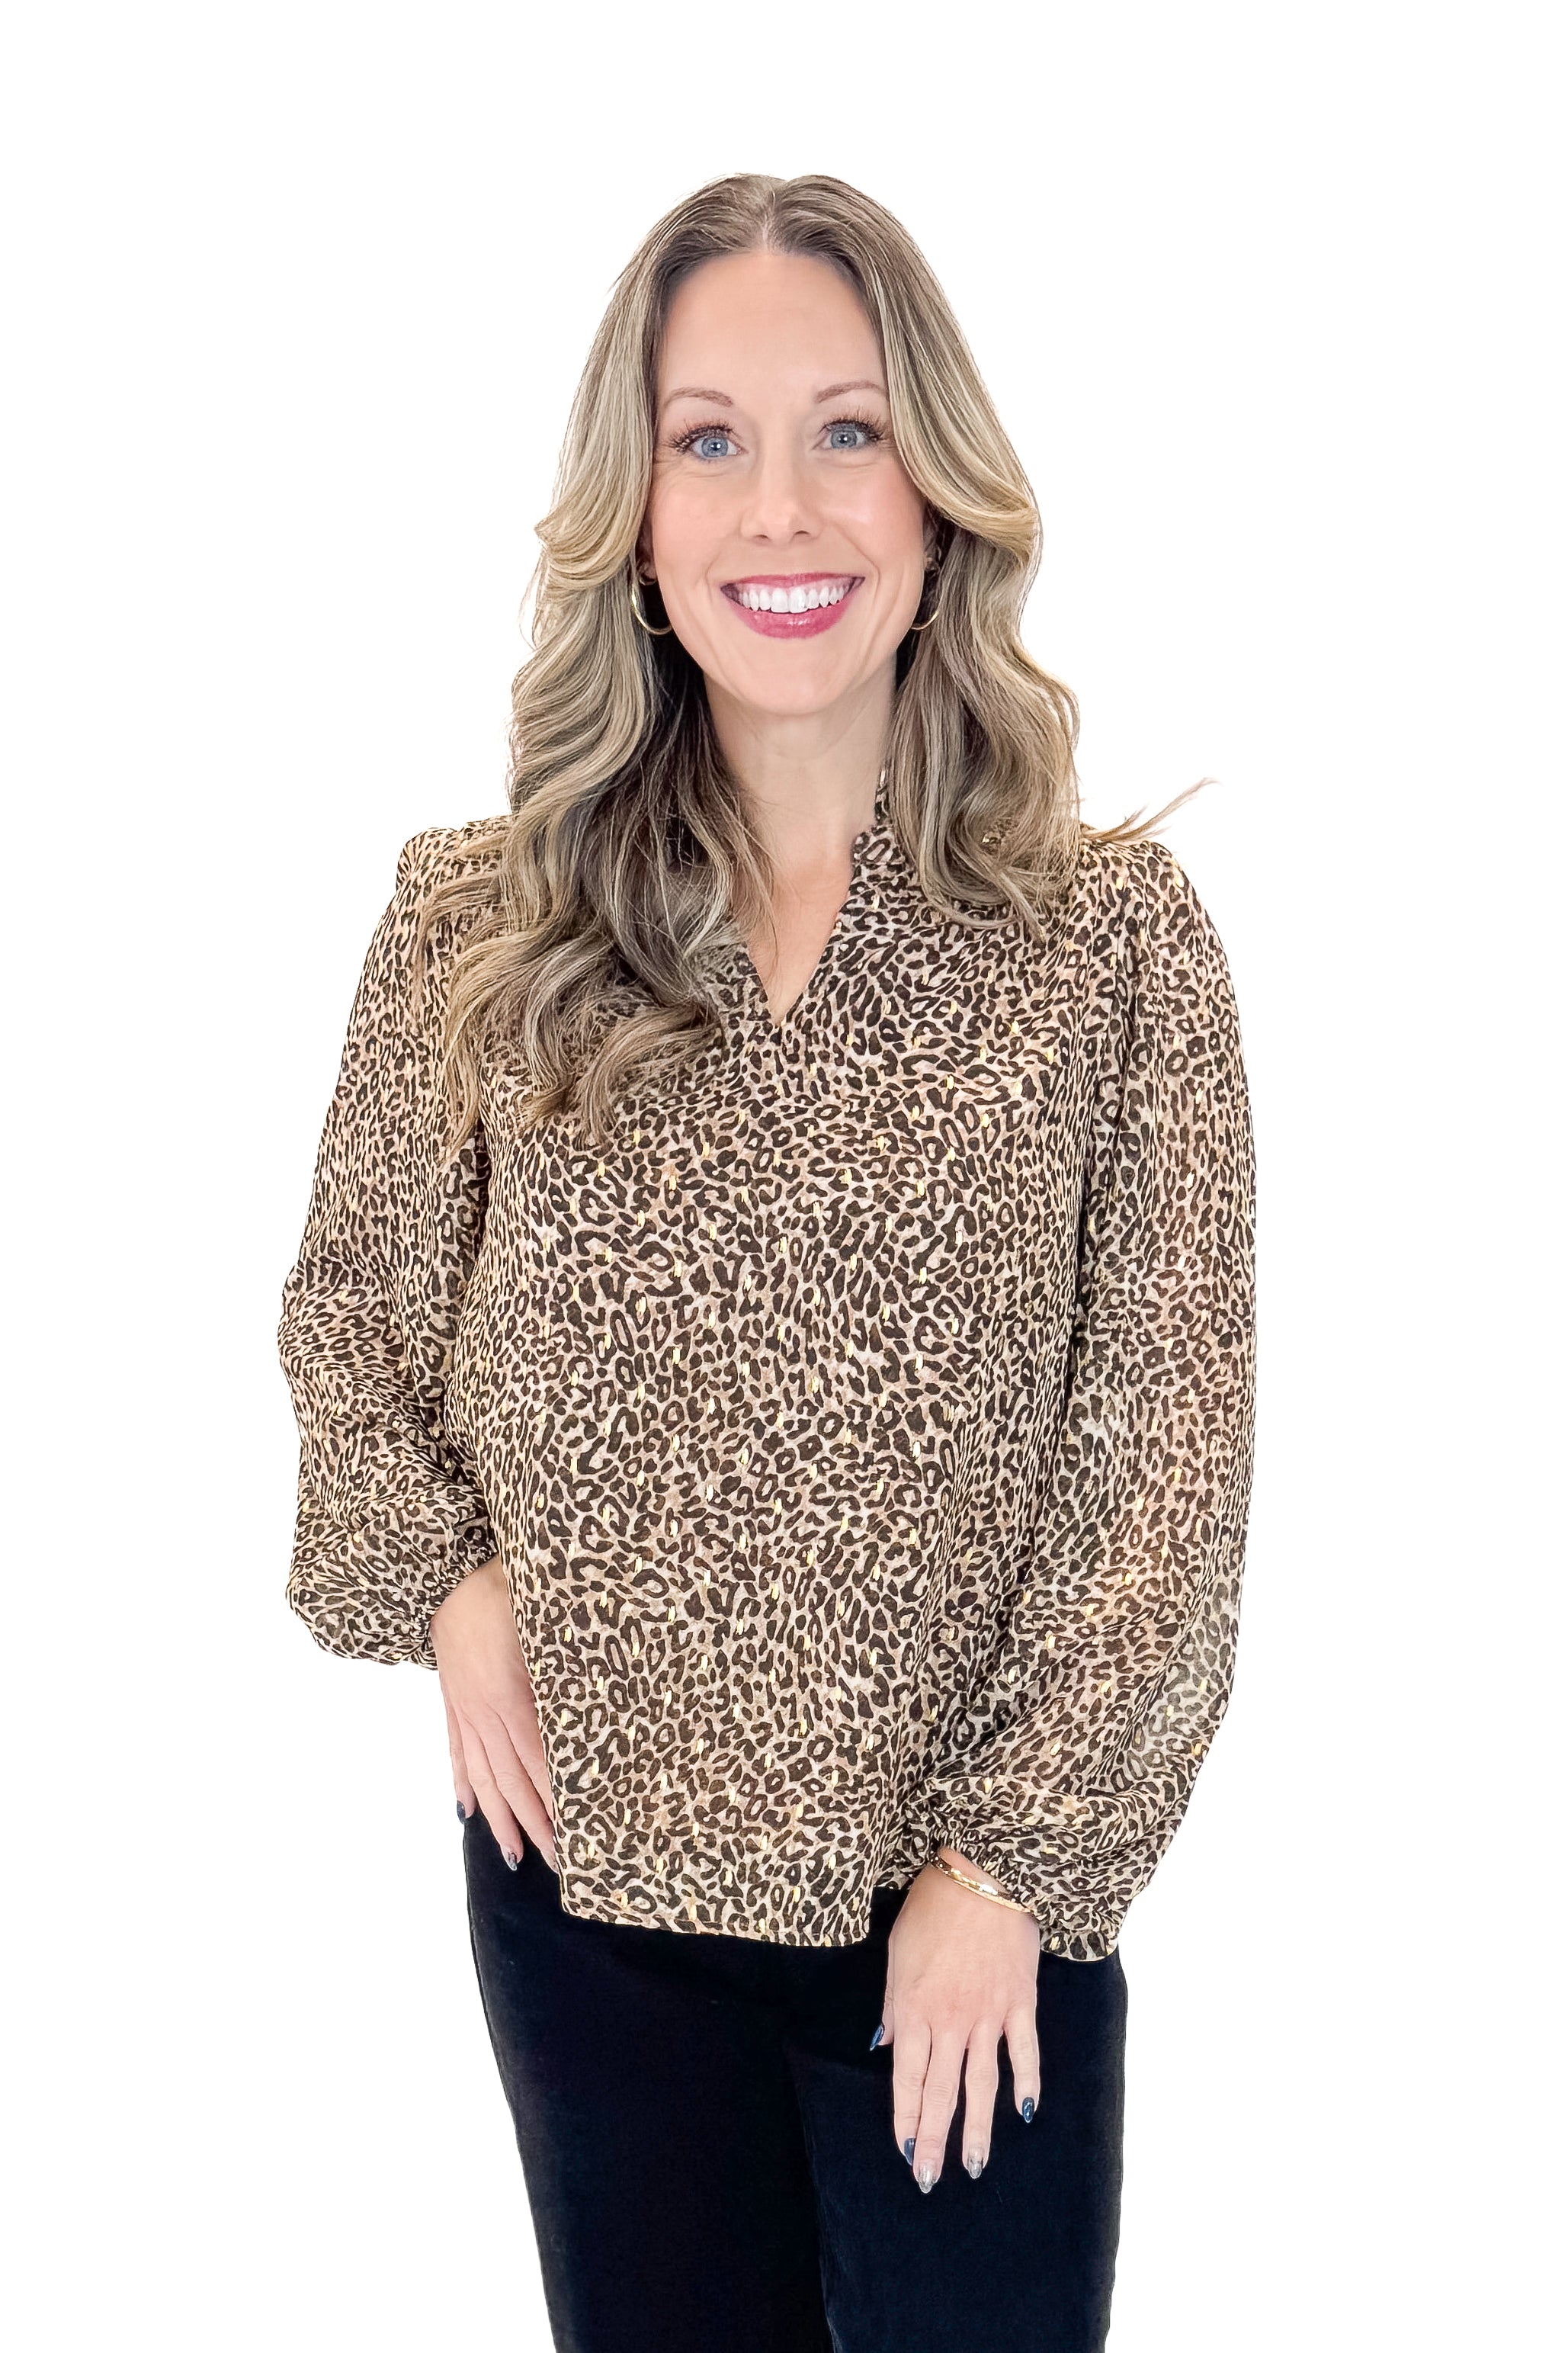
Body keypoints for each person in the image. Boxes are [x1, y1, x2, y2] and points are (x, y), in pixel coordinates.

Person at [277, 171, 1256, 2353]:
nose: (777, 506)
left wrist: (1008, 1872)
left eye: (843, 427)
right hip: (589, 1908)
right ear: (634, 511)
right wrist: (448, 1583)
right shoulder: (476, 922)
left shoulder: (1104, 950)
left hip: (963, 1926)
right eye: (707, 436)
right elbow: (352, 1320)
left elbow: (1161, 1473)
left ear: (937, 489)